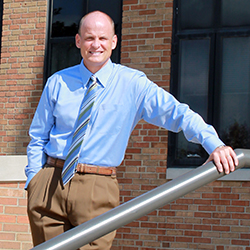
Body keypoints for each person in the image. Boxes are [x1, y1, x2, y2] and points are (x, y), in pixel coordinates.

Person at [25, 10, 238, 250]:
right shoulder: (57, 82)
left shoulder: (133, 84)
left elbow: (177, 113)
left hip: (98, 186)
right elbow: (38, 136)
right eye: (89, 38)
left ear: (114, 42)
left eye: (103, 38)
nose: (96, 44)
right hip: (50, 183)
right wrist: (35, 181)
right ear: (78, 41)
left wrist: (214, 144)